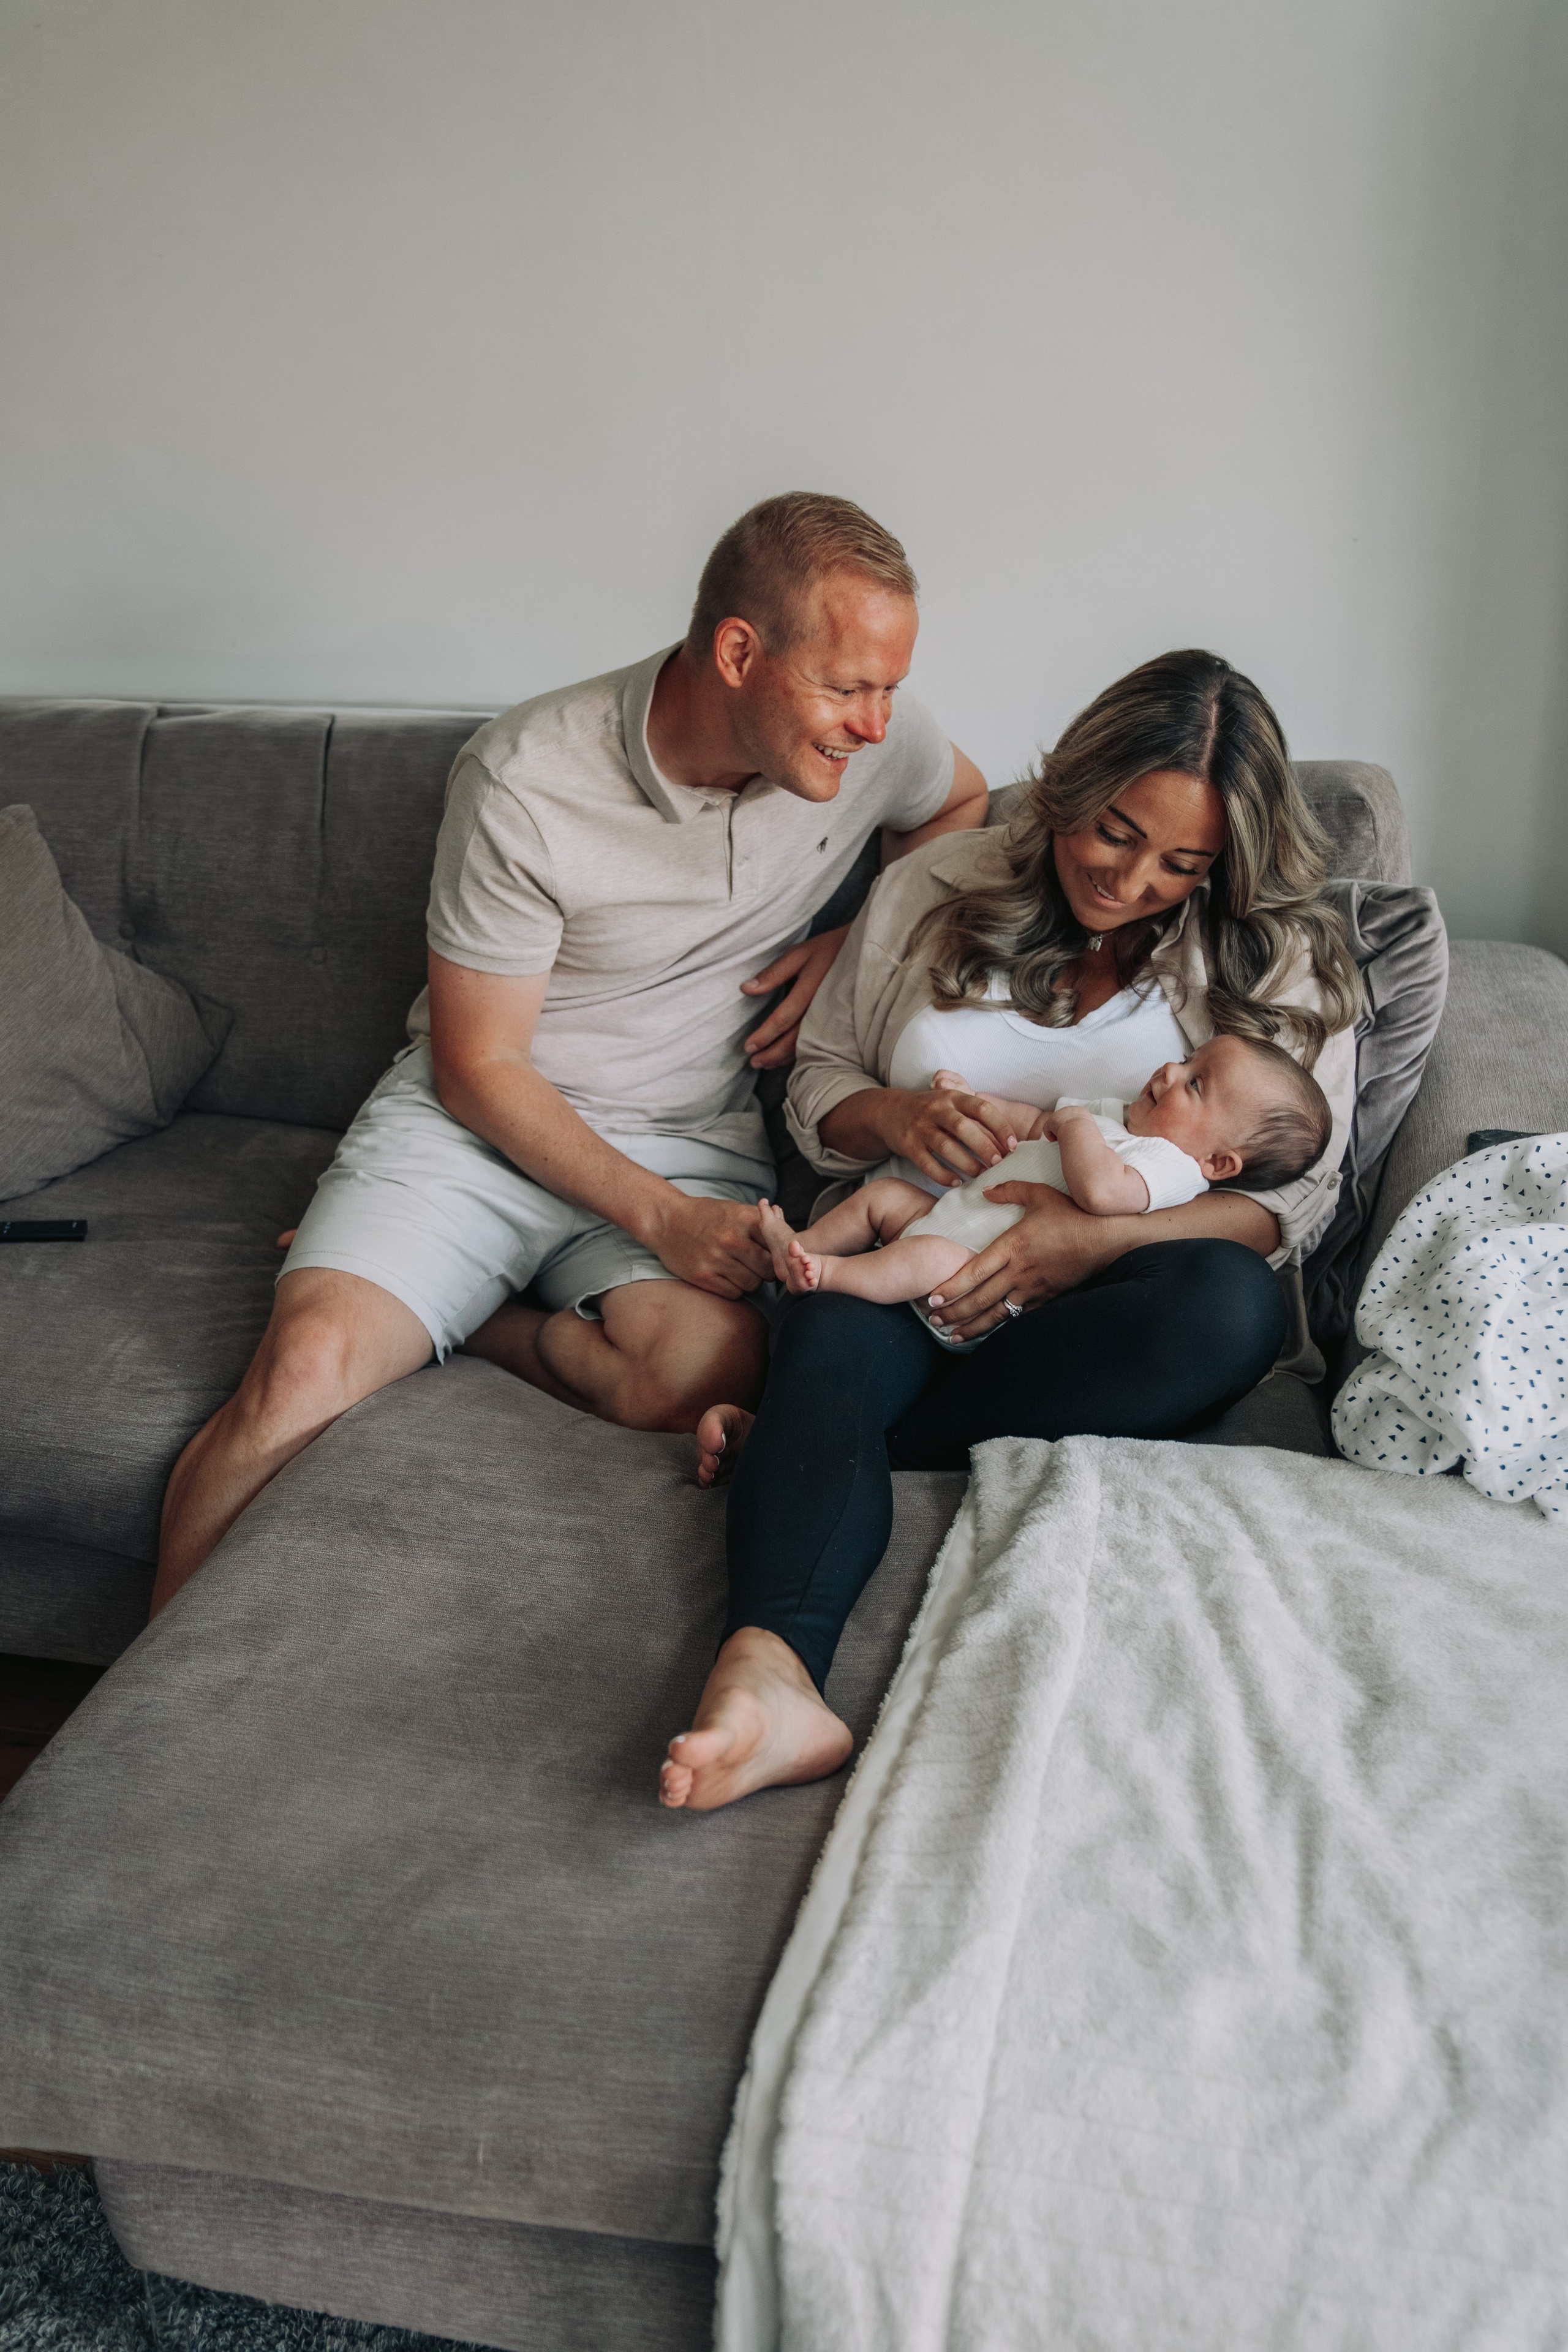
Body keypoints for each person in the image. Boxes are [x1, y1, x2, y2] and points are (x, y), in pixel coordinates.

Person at [153, 493, 988, 1611]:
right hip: (484, 1126)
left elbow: (964, 809)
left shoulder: (874, 741)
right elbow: (478, 1068)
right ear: (739, 652)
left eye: (889, 690)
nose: (878, 725)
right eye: (848, 688)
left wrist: (853, 937)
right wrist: (664, 1221)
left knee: (703, 1367)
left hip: (689, 1132)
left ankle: (459, 1309)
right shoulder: (527, 776)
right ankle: (144, 1739)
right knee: (301, 1375)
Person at [660, 647, 1362, 1812]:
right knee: (834, 1317)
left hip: (1101, 1318)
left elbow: (1288, 1202)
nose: (1134, 881)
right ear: (1072, 784)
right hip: (921, 1255)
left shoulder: (1279, 961)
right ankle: (767, 1677)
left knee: (1230, 1307)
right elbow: (823, 1078)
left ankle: (821, 1436)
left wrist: (1091, 1244)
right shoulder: (938, 885)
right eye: (1116, 834)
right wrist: (896, 1115)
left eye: (1183, 864)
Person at [754, 1035, 1332, 1330]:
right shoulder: (1119, 1115)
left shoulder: (1170, 1169)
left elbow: (1102, 1194)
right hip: (950, 1212)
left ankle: (829, 1276)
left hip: (975, 1267)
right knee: (882, 1198)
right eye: (1186, 1060)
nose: (1170, 1072)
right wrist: (976, 1100)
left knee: (924, 1257)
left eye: (1196, 1085)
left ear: (1220, 1164)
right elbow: (1031, 1125)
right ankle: (802, 1247)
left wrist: (1078, 1122)